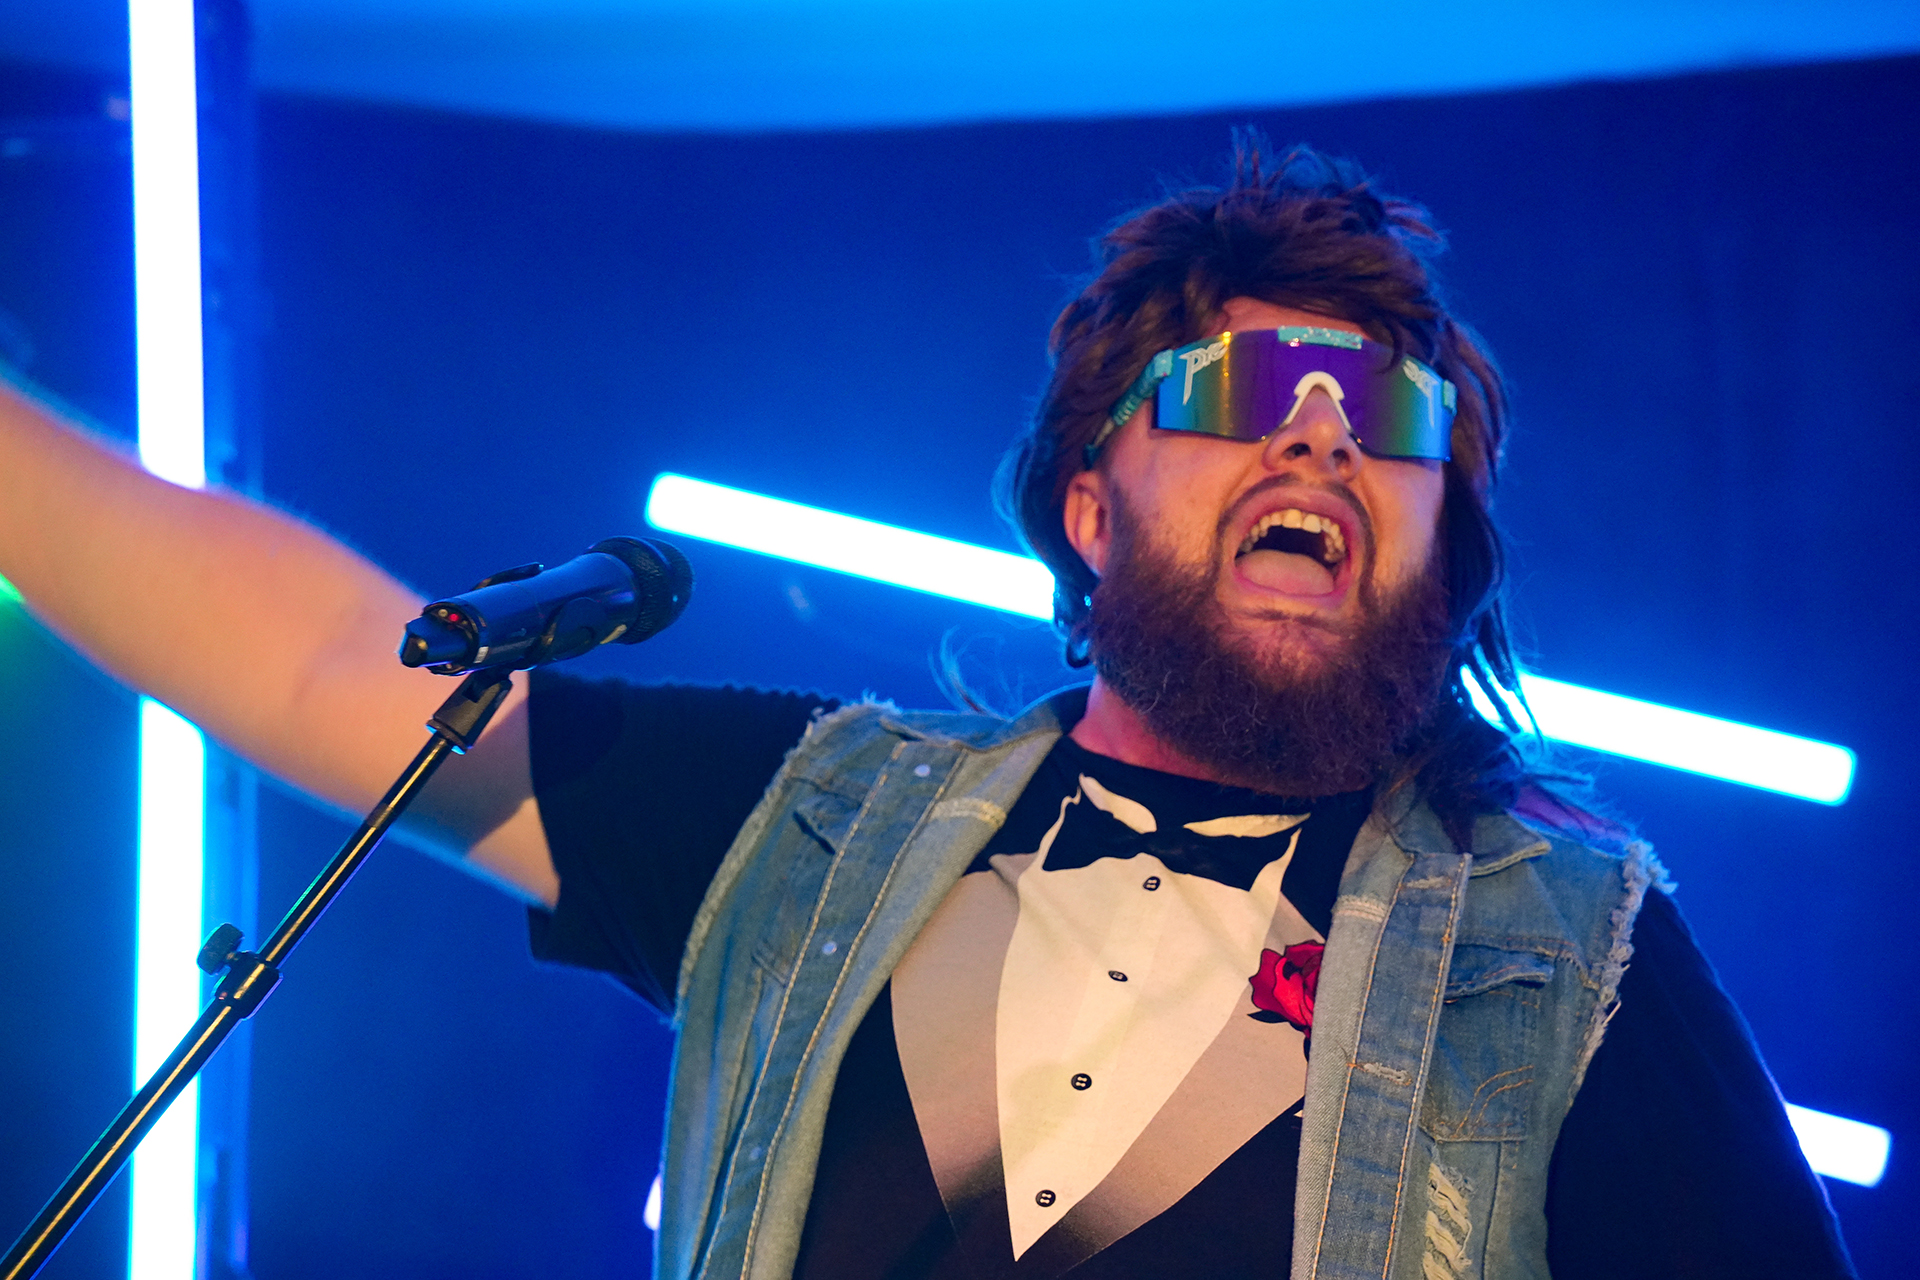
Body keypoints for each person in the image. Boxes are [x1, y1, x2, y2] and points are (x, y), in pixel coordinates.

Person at [0, 143, 1855, 1279]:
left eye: (1390, 420)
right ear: (1088, 504)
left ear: (1445, 550)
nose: (1317, 438)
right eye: (1240, 392)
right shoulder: (815, 822)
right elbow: (329, 667)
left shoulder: (1557, 957)